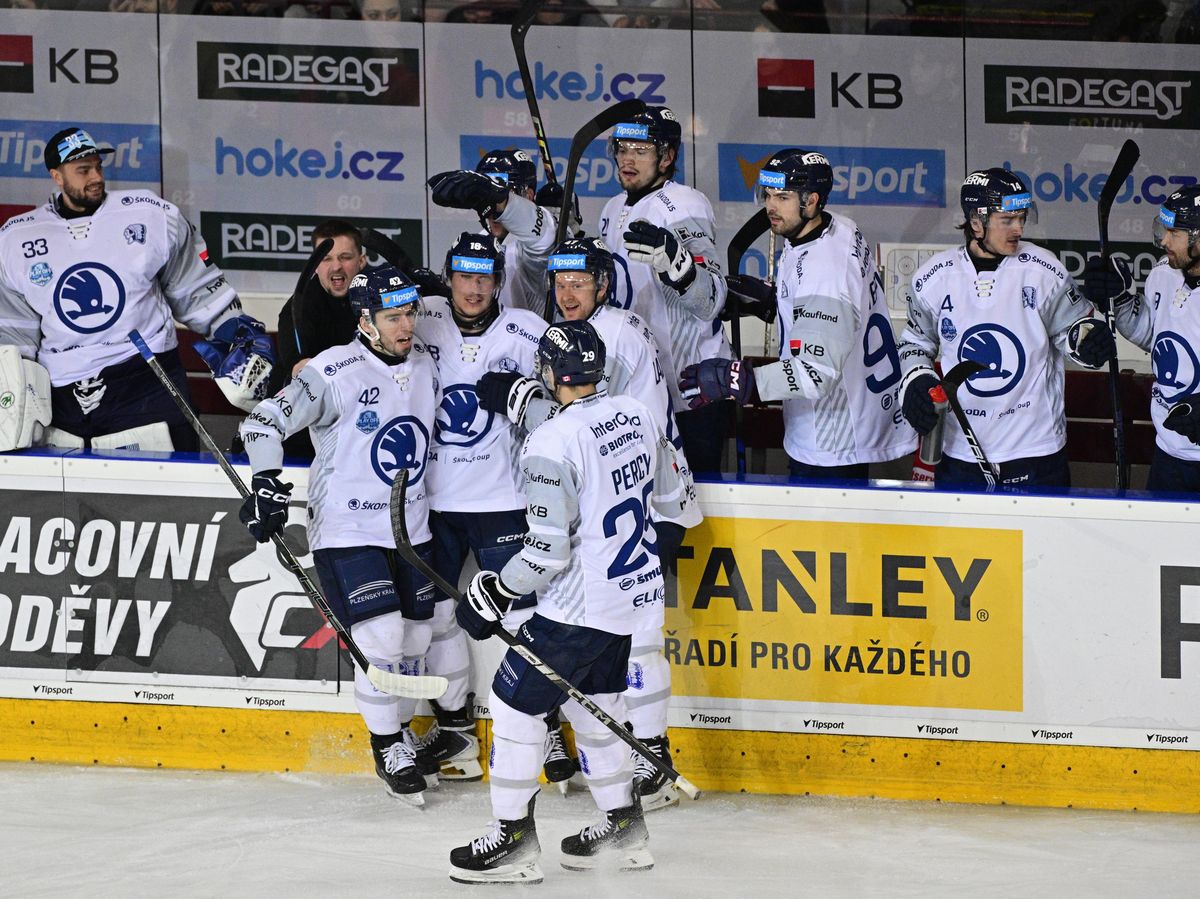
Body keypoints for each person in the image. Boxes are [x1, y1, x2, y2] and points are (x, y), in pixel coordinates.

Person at [449, 318, 684, 884]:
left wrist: (496, 592)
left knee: (513, 705)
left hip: (578, 610)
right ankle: (625, 832)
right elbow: (671, 498)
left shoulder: (551, 441)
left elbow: (547, 553)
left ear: (551, 373)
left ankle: (511, 842)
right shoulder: (637, 413)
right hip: (632, 600)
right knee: (595, 705)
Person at [478, 236, 701, 809]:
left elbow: (585, 421)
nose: (566, 292)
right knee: (625, 647)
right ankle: (637, 772)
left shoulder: (612, 334)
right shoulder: (603, 330)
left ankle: (650, 760)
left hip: (642, 503)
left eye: (579, 281)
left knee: (637, 643)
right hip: (645, 494)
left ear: (603, 284)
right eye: (559, 281)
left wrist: (523, 401)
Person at [237, 266, 441, 805]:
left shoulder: (425, 361)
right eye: (393, 317)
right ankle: (387, 745)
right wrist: (265, 482)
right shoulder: (332, 371)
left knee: (416, 642)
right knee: (382, 639)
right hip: (348, 529)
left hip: (412, 527)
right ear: (365, 321)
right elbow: (262, 423)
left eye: (410, 314)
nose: (406, 326)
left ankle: (399, 731)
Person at [0, 126, 272, 453]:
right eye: (83, 170)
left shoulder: (150, 214)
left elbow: (197, 288)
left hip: (147, 380)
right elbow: (14, 333)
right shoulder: (16, 238)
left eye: (98, 167)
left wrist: (234, 331)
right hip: (61, 399)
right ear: (57, 176)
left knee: (171, 483)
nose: (96, 177)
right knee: (70, 486)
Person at [679, 149, 917, 482]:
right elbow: (839, 313)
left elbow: (815, 372)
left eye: (783, 197)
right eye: (768, 195)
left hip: (832, 438)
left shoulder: (825, 271)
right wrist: (776, 300)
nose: (770, 206)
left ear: (812, 200)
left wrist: (738, 380)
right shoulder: (839, 228)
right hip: (854, 416)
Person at [413, 231, 555, 784]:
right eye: (464, 277)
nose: (474, 289)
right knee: (433, 617)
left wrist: (526, 396)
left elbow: (571, 402)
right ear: (448, 278)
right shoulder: (423, 319)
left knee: (522, 619)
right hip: (435, 503)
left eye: (484, 278)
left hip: (504, 501)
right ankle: (457, 734)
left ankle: (544, 730)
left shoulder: (527, 330)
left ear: (499, 280)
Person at [895, 167, 1117, 490]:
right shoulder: (934, 278)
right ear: (976, 223)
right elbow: (915, 344)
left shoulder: (1044, 270)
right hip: (960, 451)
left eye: (1022, 218)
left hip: (1035, 450)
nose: (1019, 228)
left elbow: (1073, 330)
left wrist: (1087, 340)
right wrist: (916, 380)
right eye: (1008, 220)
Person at [597, 105, 731, 475]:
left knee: (696, 497)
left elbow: (711, 299)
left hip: (692, 389)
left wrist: (677, 262)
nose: (627, 159)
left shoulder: (684, 204)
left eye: (641, 151)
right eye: (622, 148)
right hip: (639, 385)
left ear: (667, 157)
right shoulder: (611, 208)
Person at [1086, 185, 1200, 491]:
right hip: (1168, 451)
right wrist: (1122, 300)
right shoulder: (1163, 273)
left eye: (1174, 233)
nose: (1164, 241)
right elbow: (1152, 337)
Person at [428, 149, 557, 315]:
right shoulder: (480, 241)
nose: (491, 208)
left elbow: (541, 234)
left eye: (500, 195)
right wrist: (444, 291)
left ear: (529, 195)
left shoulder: (539, 239)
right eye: (483, 196)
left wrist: (502, 200)